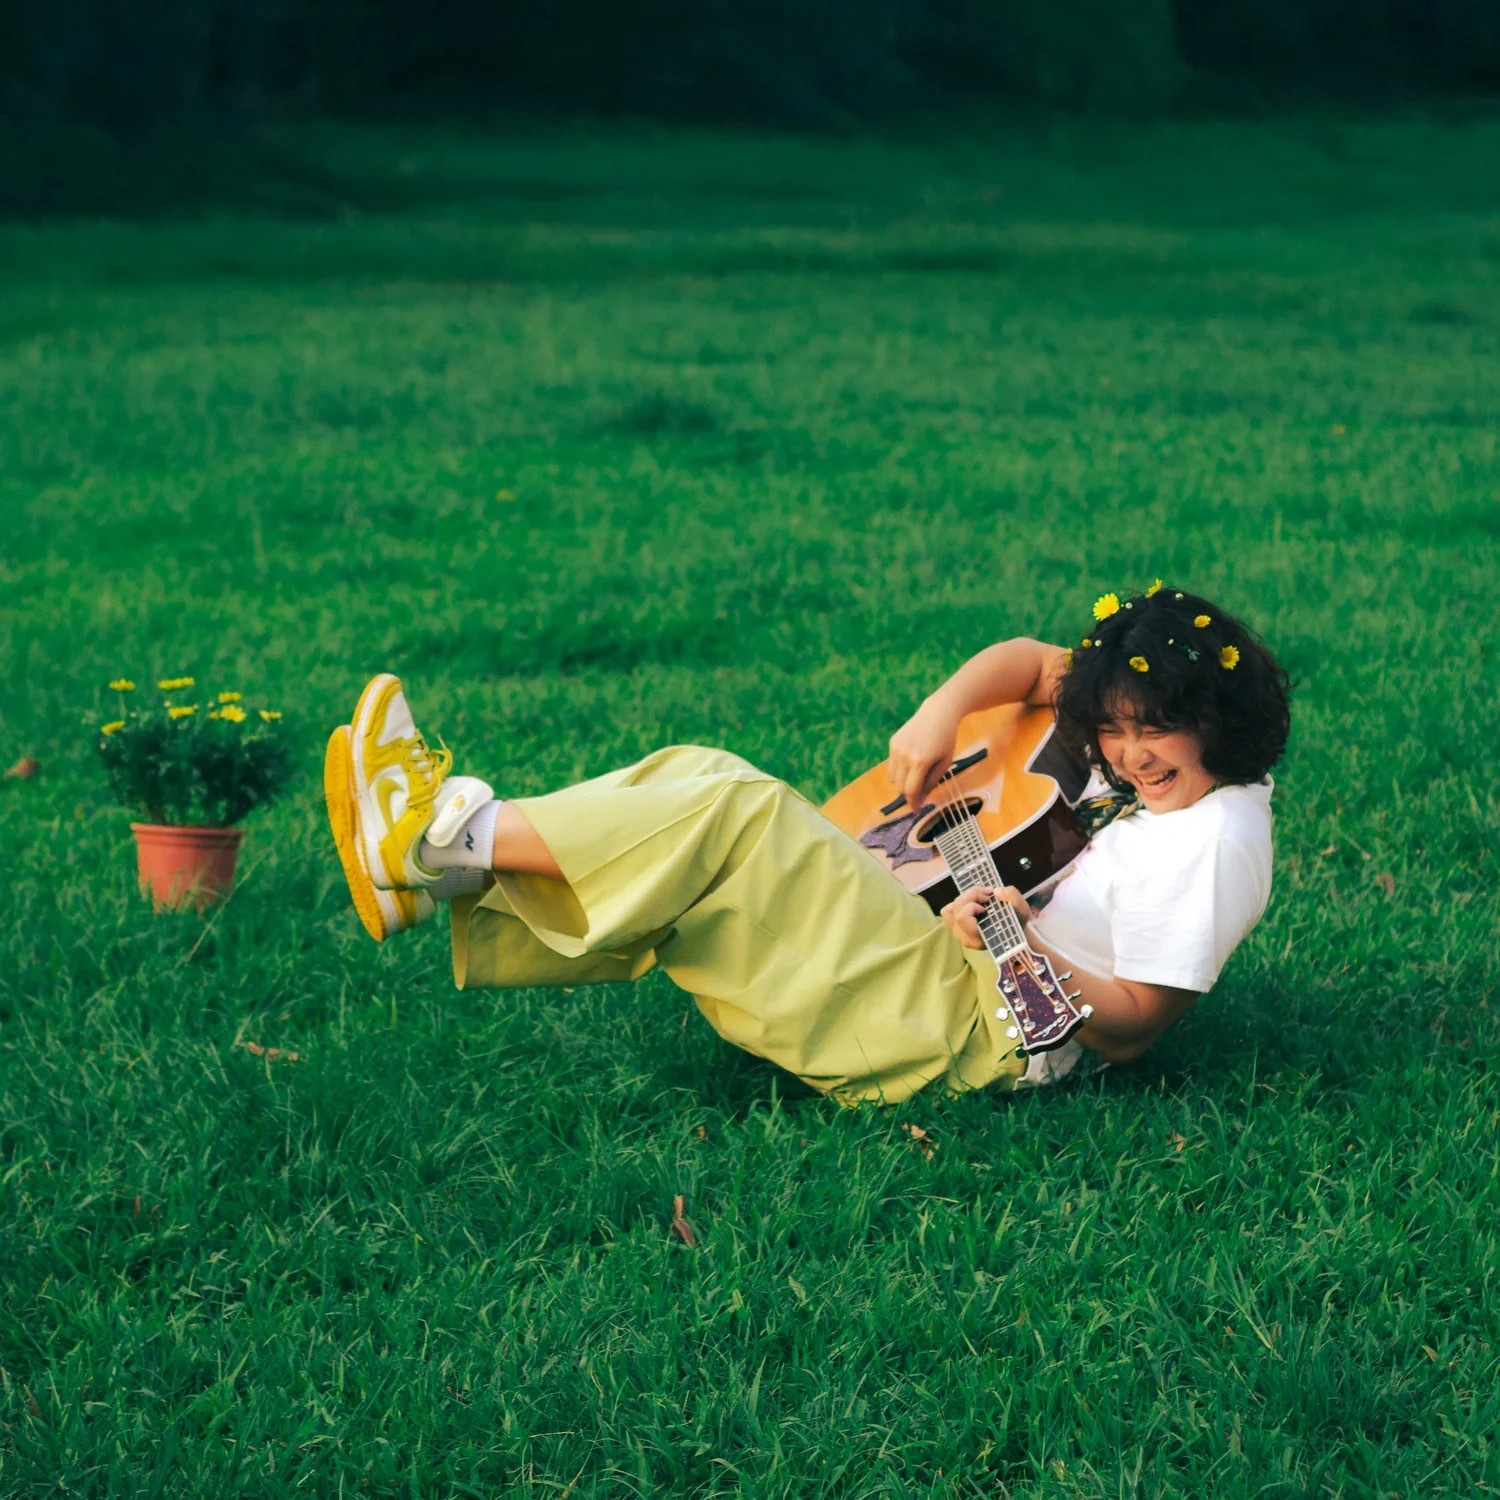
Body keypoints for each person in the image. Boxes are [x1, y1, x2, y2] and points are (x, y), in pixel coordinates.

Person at [323, 583, 1291, 1104]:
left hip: (978, 1036)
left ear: (1216, 717)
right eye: (1113, 728)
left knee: (736, 814)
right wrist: (941, 713)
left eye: (1152, 731)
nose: (1126, 754)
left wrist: (1023, 945)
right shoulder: (1178, 775)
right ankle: (447, 873)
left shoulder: (1218, 842)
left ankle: (441, 840)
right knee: (701, 774)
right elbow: (1036, 668)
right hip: (962, 965)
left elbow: (1134, 1030)